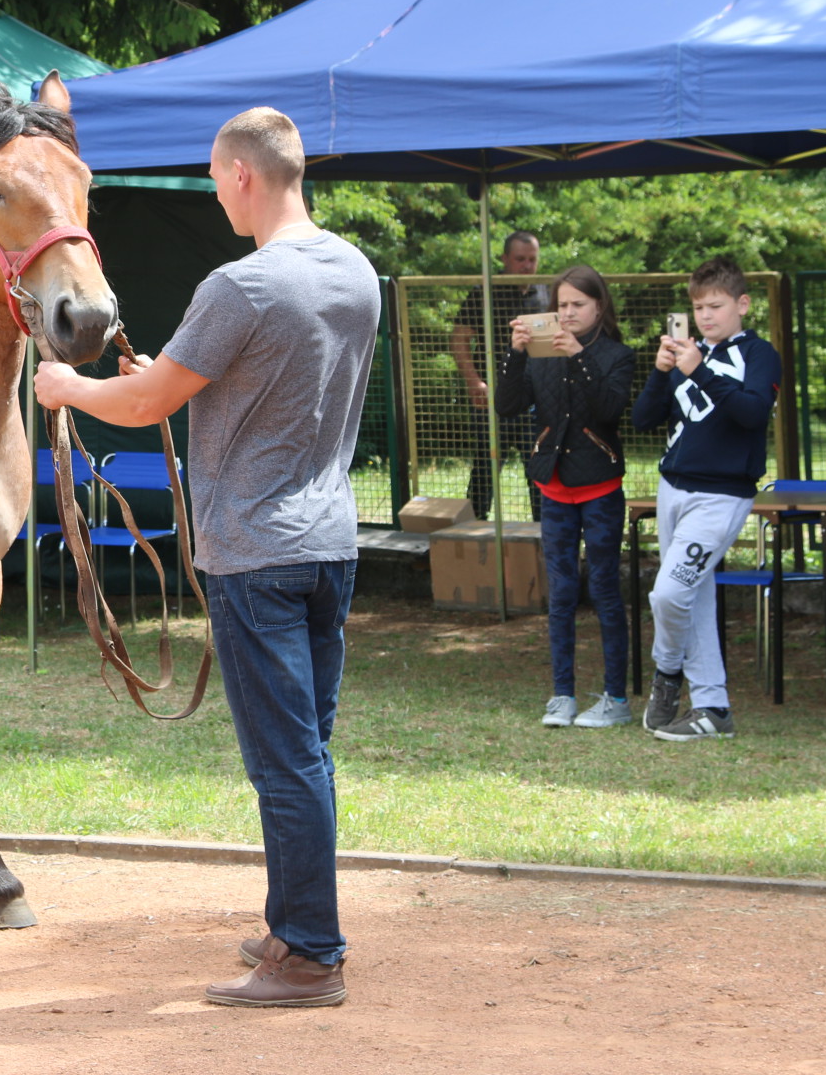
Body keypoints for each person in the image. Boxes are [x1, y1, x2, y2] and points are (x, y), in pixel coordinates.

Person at [35, 107, 376, 1008]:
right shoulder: (355, 271)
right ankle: (294, 922)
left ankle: (308, 952)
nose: (218, 194)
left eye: (217, 179)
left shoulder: (242, 285)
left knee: (284, 759)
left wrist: (69, 385)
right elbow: (262, 380)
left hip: (255, 551)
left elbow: (147, 402)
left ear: (240, 177)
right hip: (329, 541)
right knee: (308, 749)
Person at [630, 255, 780, 742]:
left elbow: (753, 414)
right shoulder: (687, 353)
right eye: (698, 307)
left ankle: (667, 673)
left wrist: (699, 371)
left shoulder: (759, 353)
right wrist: (662, 370)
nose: (706, 316)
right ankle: (713, 707)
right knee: (692, 596)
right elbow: (643, 419)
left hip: (721, 494)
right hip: (673, 486)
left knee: (669, 592)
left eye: (715, 305)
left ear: (743, 303)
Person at [496, 265, 636, 729]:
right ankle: (562, 695)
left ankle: (615, 698)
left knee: (603, 589)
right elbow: (507, 405)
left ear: (599, 307)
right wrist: (515, 356)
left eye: (579, 304)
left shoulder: (617, 355)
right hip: (553, 486)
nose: (569, 313)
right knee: (560, 592)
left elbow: (611, 411)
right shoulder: (541, 352)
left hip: (599, 486)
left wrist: (578, 356)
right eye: (563, 304)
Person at [451, 232, 548, 522]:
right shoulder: (485, 291)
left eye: (532, 259)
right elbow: (458, 339)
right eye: (520, 259)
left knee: (540, 469)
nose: (527, 266)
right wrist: (473, 382)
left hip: (537, 399)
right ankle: (472, 537)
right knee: (484, 469)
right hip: (492, 399)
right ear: (504, 259)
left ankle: (544, 537)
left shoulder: (546, 292)